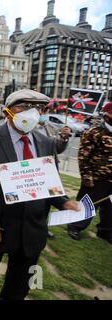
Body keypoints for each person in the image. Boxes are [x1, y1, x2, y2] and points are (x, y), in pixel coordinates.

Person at [0, 89, 80, 300]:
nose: (32, 113)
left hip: (32, 228)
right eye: (24, 107)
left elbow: (49, 182)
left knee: (19, 285)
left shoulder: (45, 142)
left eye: (36, 108)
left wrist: (64, 202)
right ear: (7, 112)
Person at [67, 102, 112, 244]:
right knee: (87, 204)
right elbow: (83, 156)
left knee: (110, 208)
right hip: (96, 178)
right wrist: (87, 177)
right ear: (107, 116)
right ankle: (74, 227)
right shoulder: (94, 132)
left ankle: (105, 232)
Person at [36, 106, 72, 239]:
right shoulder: (27, 128)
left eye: (46, 111)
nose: (44, 114)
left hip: (49, 172)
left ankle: (42, 228)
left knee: (47, 202)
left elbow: (58, 148)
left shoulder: (50, 127)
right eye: (41, 111)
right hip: (33, 172)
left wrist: (63, 137)